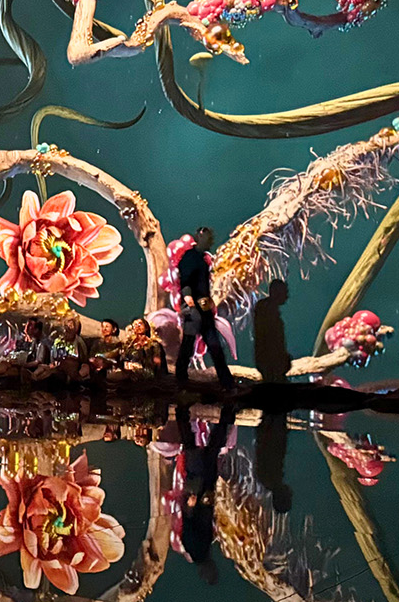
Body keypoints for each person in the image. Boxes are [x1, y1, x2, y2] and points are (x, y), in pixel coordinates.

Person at [177, 404, 236, 585]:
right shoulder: (201, 550)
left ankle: (226, 414)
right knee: (202, 450)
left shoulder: (198, 549)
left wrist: (191, 507)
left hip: (199, 495)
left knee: (204, 451)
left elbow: (189, 526)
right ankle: (183, 413)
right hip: (201, 495)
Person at [175, 227, 235, 389]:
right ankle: (181, 380)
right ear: (199, 238)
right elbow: (185, 280)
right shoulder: (191, 257)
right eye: (208, 239)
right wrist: (188, 298)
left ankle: (226, 383)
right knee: (191, 345)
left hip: (202, 308)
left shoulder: (201, 259)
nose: (211, 242)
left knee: (209, 345)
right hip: (194, 309)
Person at [253, 279, 292, 383]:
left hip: (266, 361)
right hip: (271, 362)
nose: (287, 296)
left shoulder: (263, 308)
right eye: (285, 292)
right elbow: (273, 340)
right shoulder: (269, 311)